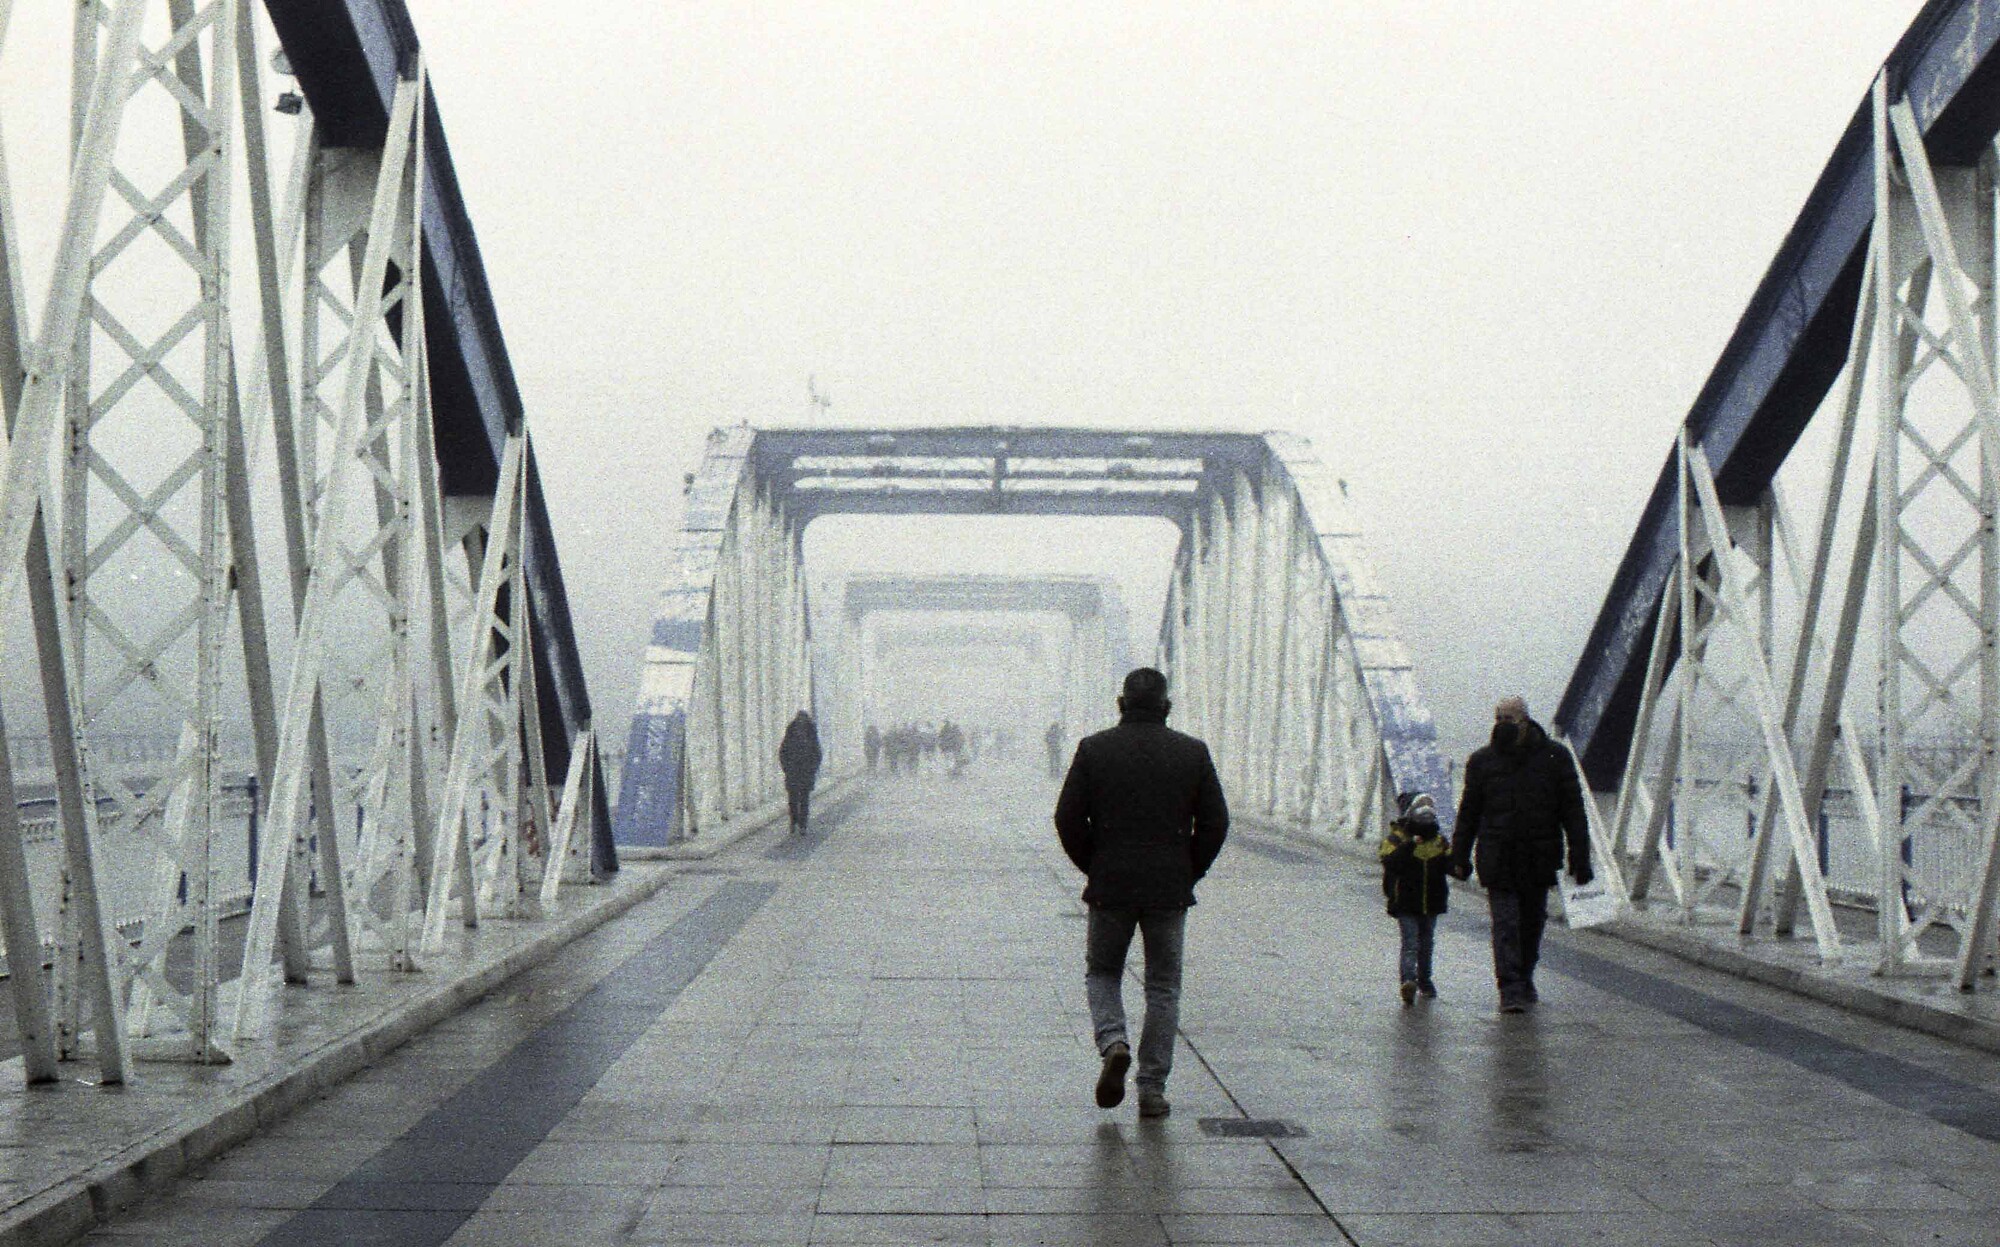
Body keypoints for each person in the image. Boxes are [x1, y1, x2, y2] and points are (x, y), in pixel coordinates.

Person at [1054, 668, 1228, 1119]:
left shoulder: (1094, 750)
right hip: (1168, 887)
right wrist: (1188, 870)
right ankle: (1151, 1088)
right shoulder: (1192, 753)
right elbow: (1216, 823)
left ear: (1121, 703)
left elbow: (1067, 818)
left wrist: (1094, 864)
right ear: (1166, 706)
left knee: (1103, 972)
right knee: (1163, 987)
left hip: (1111, 882)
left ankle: (1113, 1041)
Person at [1449, 696, 1592, 1012]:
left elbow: (1573, 811)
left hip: (1538, 858)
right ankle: (1510, 988)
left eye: (1509, 719)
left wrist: (1580, 857)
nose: (1502, 725)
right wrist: (1458, 856)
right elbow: (1469, 812)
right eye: (1498, 718)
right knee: (1506, 925)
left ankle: (1525, 975)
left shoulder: (1555, 757)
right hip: (1497, 857)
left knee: (1532, 924)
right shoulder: (1481, 762)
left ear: (1526, 721)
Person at [1379, 792, 1450, 1005]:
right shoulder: (1398, 838)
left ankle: (1425, 979)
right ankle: (1408, 980)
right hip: (1406, 902)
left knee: (1427, 942)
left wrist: (1460, 866)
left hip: (1432, 901)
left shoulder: (1438, 840)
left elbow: (1450, 862)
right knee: (1410, 942)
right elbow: (1389, 861)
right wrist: (1410, 843)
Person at [777, 709, 822, 834]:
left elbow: (817, 753)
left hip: (802, 772)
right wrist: (786, 768)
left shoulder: (810, 732)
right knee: (797, 800)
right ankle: (796, 822)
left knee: (801, 800)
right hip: (795, 772)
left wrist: (812, 768)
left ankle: (801, 824)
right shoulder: (792, 732)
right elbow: (783, 752)